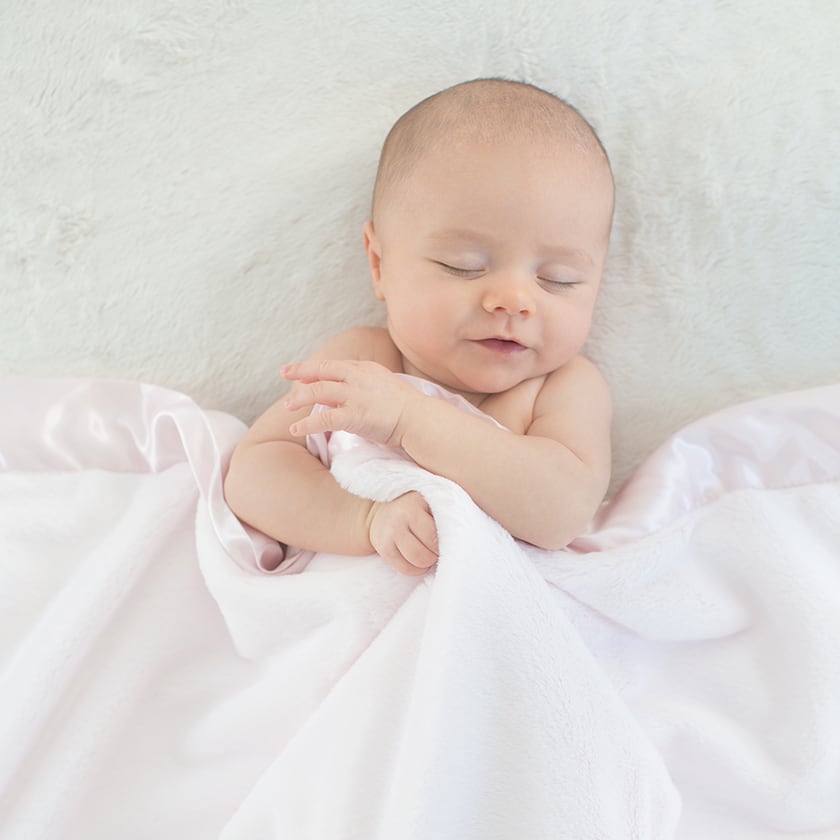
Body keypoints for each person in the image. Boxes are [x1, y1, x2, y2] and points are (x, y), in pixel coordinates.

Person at [224, 78, 615, 576]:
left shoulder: (562, 389)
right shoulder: (366, 362)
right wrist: (364, 519)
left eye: (558, 280)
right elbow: (254, 473)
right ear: (380, 263)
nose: (514, 301)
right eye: (464, 265)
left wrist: (413, 421)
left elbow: (560, 512)